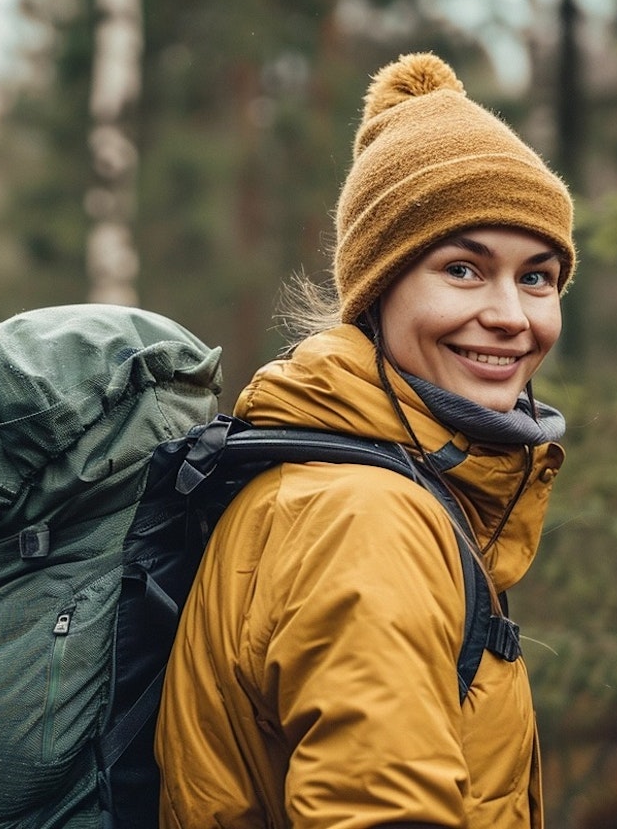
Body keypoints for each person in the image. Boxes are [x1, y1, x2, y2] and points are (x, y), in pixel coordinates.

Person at [154, 52, 575, 828]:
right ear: (378, 289)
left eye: (538, 276)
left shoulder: (342, 469)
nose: (513, 314)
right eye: (463, 268)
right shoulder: (366, 518)